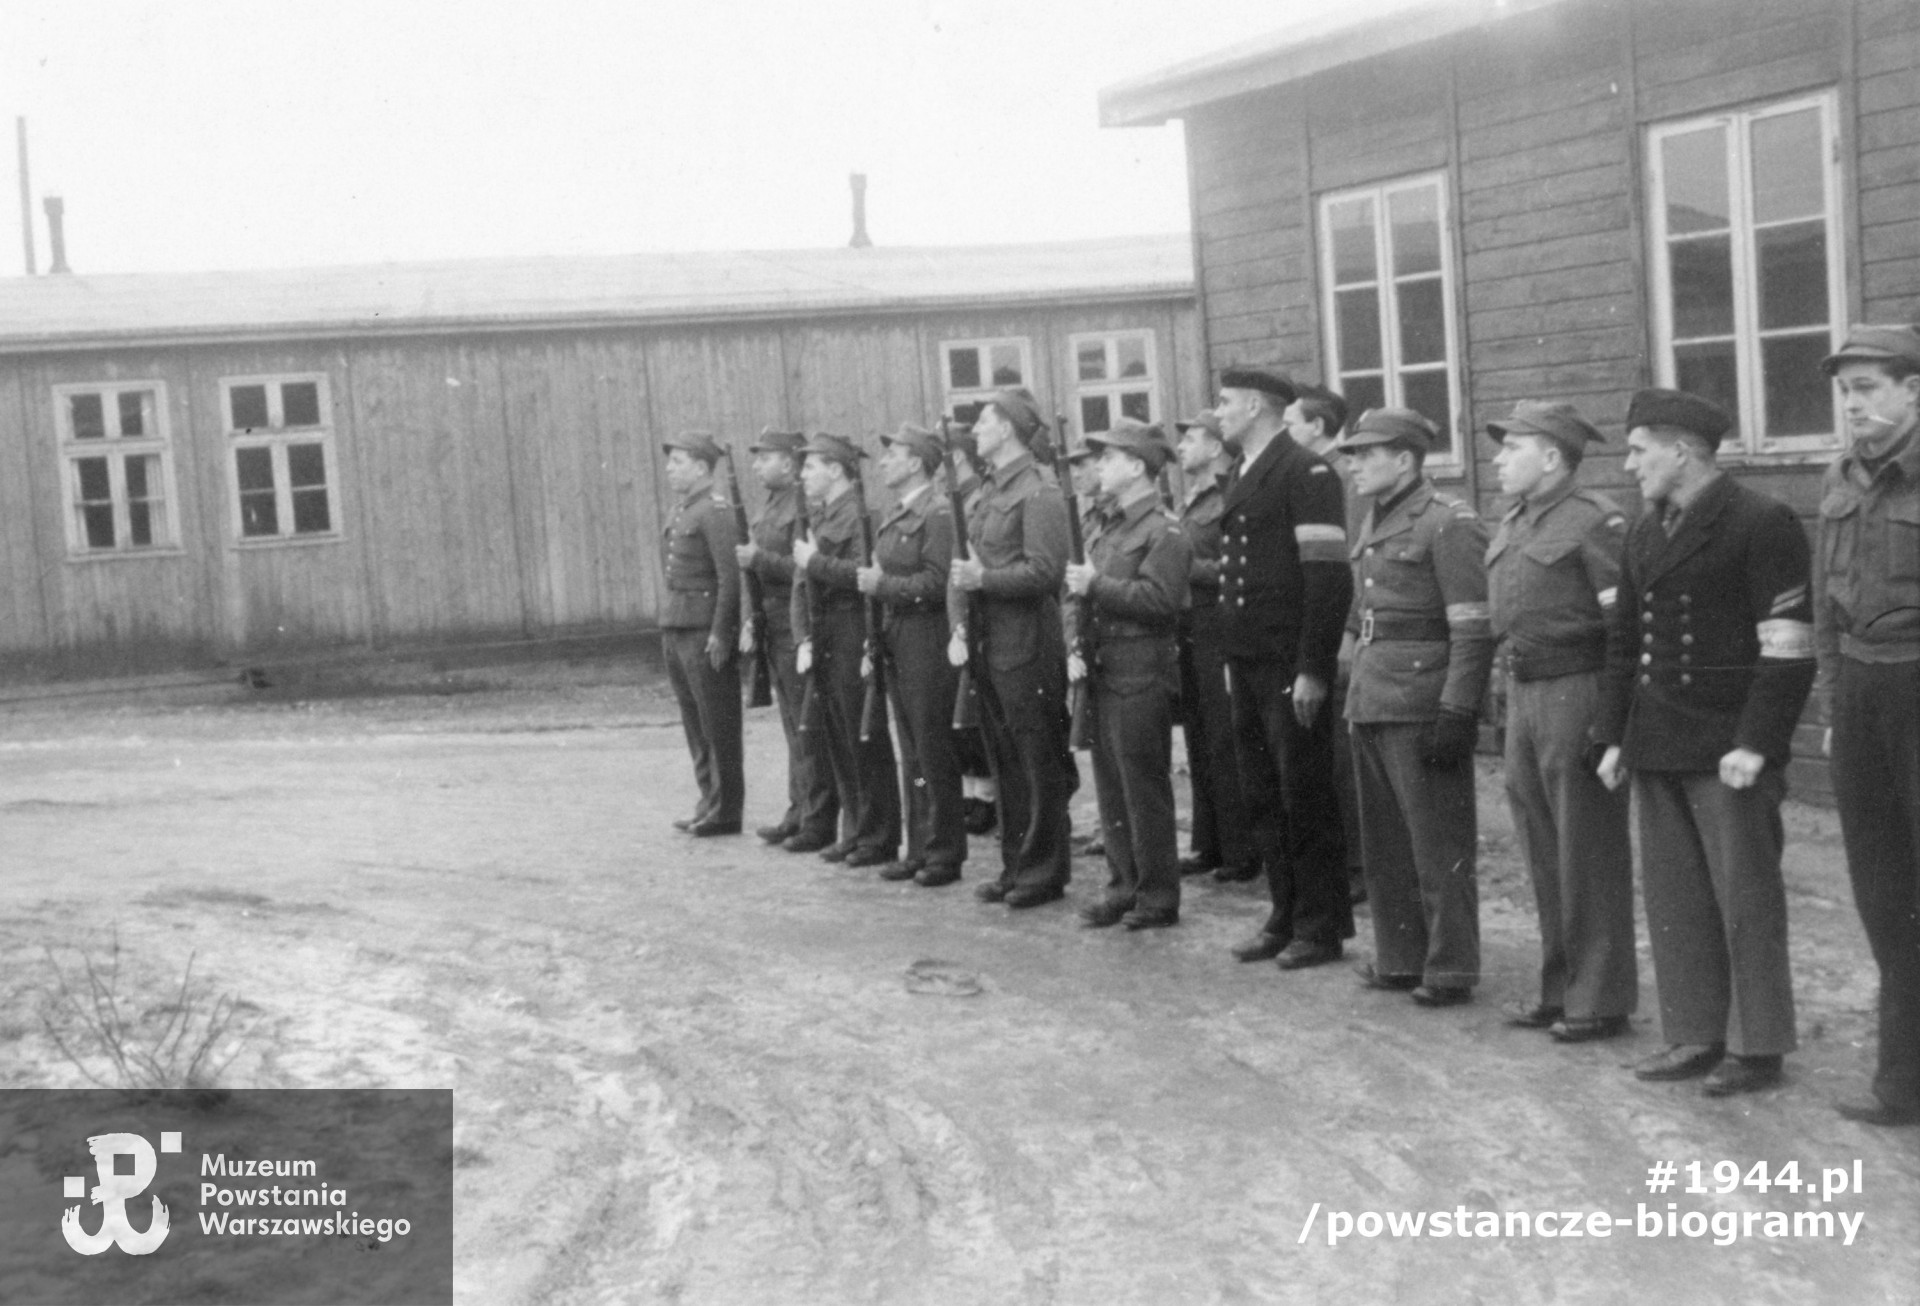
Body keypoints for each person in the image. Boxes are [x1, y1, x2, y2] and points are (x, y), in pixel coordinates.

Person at [1594, 389, 1816, 1097]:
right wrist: (1614, 737)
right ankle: (1695, 1033)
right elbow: (1624, 643)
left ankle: (1758, 1046)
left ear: (1682, 450)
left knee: (1745, 896)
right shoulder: (1644, 531)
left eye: (1638, 450)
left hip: (1728, 746)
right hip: (1659, 737)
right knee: (1675, 896)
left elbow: (1788, 649)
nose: (1629, 465)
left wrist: (1758, 742)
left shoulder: (1761, 521)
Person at [1484, 401, 1637, 1043]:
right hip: (1522, 694)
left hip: (1576, 693)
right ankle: (1559, 988)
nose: (1497, 458)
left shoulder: (1593, 521)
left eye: (1510, 447)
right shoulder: (1514, 521)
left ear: (1550, 458)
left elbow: (1622, 626)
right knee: (1542, 848)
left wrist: (1612, 723)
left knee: (1587, 850)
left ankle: (1599, 998)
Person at [1339, 407, 1493, 1007]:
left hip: (1423, 699)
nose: (1353, 464)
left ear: (1404, 460)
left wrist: (1458, 711)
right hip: (1374, 693)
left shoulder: (1447, 522)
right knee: (1386, 844)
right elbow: (1363, 608)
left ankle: (1451, 966)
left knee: (1437, 843)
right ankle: (1401, 957)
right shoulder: (1375, 515)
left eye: (1365, 453)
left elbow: (1473, 629)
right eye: (1352, 453)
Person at [1814, 326, 1920, 1126]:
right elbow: (1825, 604)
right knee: (1884, 895)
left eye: (1871, 388)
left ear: (1913, 390)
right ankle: (1902, 1083)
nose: (1855, 405)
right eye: (1847, 391)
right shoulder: (1840, 478)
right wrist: (1831, 694)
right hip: (1859, 690)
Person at [1214, 367, 1355, 970]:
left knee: (1304, 794)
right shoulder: (1245, 472)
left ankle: (1320, 927)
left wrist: (1313, 668)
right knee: (1264, 793)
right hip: (1249, 658)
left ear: (1253, 406)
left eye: (1224, 403)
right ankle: (1284, 913)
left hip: (1287, 661)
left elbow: (1327, 576)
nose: (1217, 413)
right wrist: (1231, 655)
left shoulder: (1305, 471)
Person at [947, 387, 1073, 909]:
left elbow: (1047, 572)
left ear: (1010, 429)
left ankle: (1043, 871)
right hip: (990, 642)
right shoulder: (987, 492)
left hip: (1027, 644)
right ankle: (1015, 864)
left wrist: (985, 578)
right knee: (1004, 760)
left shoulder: (1039, 490)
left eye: (984, 421)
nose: (976, 430)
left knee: (1036, 758)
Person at [1065, 419, 1192, 930]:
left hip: (1141, 665)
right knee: (1111, 785)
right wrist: (1073, 639)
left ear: (1138, 467)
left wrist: (1097, 587)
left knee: (1143, 784)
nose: (1099, 466)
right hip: (1101, 664)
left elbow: (1161, 602)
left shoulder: (1164, 530)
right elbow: (1073, 591)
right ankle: (1123, 886)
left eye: (1109, 458)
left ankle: (1157, 896)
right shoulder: (1107, 525)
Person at [857, 423, 966, 888]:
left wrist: (882, 586)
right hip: (897, 639)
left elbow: (937, 583)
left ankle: (944, 851)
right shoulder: (897, 514)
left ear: (917, 463)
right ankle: (919, 845)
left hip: (926, 639)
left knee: (932, 749)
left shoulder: (937, 513)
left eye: (893, 454)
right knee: (913, 752)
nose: (884, 462)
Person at [792, 433, 902, 869]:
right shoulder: (823, 516)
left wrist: (814, 562)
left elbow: (861, 574)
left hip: (853, 627)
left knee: (863, 735)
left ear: (836, 470)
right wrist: (804, 637)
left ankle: (878, 836)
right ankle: (855, 830)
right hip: (826, 633)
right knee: (838, 734)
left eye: (811, 467)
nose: (803, 476)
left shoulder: (860, 516)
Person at [735, 426, 839, 853]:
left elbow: (802, 568)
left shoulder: (802, 505)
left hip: (793, 621)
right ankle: (798, 810)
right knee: (792, 726)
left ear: (790, 461)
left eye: (766, 456)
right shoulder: (772, 504)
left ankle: (818, 819)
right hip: (771, 621)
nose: (758, 465)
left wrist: (759, 559)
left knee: (808, 725)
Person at [1284, 383, 1367, 905]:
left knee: (1343, 754)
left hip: (1343, 630)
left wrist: (1347, 633)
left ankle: (1356, 864)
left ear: (1316, 427)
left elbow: (1350, 560)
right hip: (1318, 627)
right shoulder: (1308, 474)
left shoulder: (1338, 478)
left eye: (1290, 421)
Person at [1171, 411, 1259, 883]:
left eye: (1192, 437)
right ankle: (1208, 842)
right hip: (1188, 626)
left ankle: (1242, 850)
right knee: (1198, 738)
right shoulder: (1192, 499)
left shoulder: (1229, 495)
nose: (1182, 446)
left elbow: (1235, 567)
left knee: (1226, 739)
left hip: (1218, 627)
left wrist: (1182, 568)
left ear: (1216, 445)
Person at [658, 433, 744, 836]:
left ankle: (726, 810)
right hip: (677, 625)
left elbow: (730, 578)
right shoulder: (685, 510)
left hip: (704, 631)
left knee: (717, 722)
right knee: (695, 721)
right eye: (670, 461)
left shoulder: (714, 511)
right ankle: (708, 801)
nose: (670, 468)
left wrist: (721, 633)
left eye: (678, 461)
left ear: (702, 468)